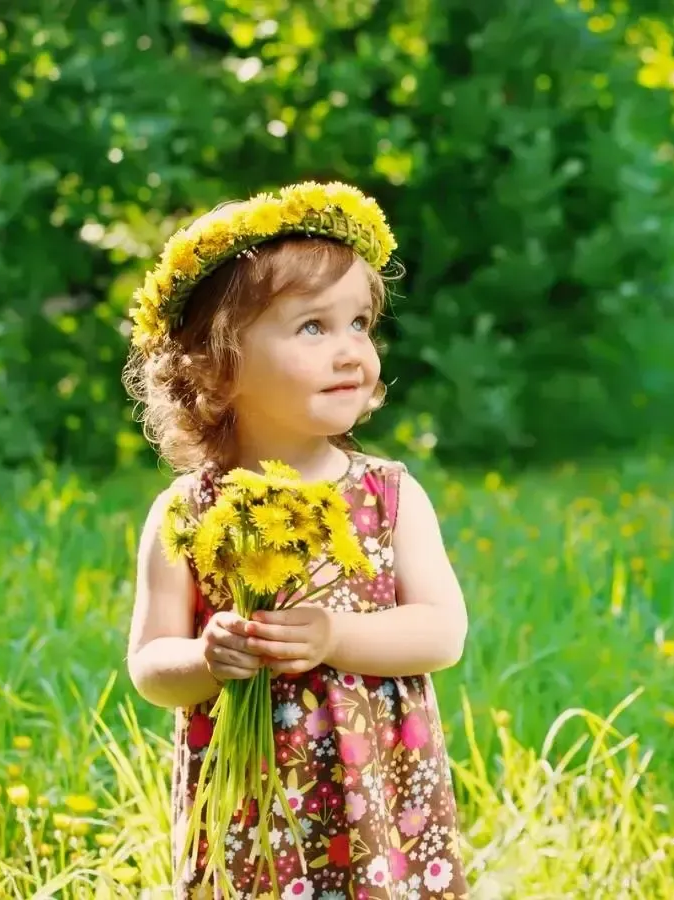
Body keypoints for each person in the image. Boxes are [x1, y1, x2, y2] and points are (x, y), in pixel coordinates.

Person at [121, 181, 470, 900]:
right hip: (252, 806)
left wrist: (331, 635)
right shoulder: (187, 512)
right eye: (313, 327)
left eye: (361, 323)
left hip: (380, 801)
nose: (350, 351)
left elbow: (442, 631)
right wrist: (207, 657)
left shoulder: (388, 495)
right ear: (218, 364)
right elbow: (151, 665)